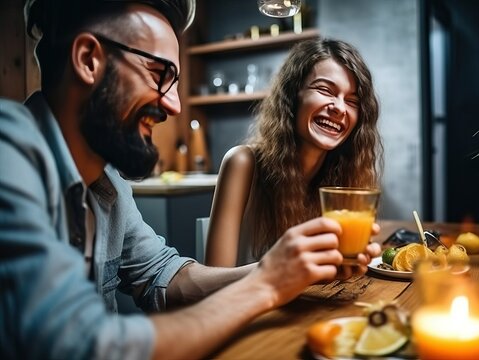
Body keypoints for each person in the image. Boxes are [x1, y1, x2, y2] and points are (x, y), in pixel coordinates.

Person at [0, 1, 380, 359]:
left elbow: (166, 276)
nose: (174, 105)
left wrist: (284, 269)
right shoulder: (9, 150)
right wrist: (265, 286)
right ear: (88, 60)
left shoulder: (109, 187)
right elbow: (86, 345)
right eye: (158, 75)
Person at [205, 38, 383, 268]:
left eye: (352, 101)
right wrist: (289, 268)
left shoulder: (342, 177)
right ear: (292, 96)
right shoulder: (242, 163)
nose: (339, 107)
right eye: (324, 90)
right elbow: (213, 277)